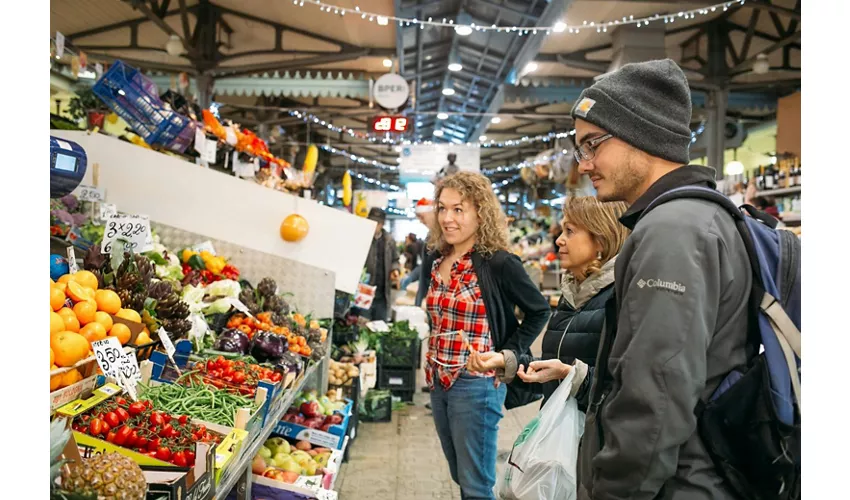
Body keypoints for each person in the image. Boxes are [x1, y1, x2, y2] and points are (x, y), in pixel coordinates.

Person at [560, 59, 752, 499]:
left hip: (679, 484)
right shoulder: (700, 218)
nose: (584, 164)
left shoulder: (672, 231)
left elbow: (654, 400)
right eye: (580, 149)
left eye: (593, 144)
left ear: (640, 135)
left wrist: (612, 491)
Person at [425, 172, 550, 500]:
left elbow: (539, 311)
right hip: (438, 380)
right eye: (442, 208)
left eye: (458, 209)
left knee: (476, 485)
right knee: (460, 472)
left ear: (481, 212)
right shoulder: (437, 260)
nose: (448, 218)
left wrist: (507, 353)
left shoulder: (499, 264)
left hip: (477, 384)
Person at [472, 197, 629, 406]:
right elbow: (554, 373)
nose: (559, 240)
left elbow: (628, 391)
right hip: (564, 434)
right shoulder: (572, 295)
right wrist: (507, 361)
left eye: (570, 231)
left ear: (601, 239)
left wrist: (569, 375)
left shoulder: (620, 300)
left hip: (594, 437)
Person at [364, 207, 399, 322]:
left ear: (382, 224)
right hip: (364, 291)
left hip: (382, 293)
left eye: (377, 223)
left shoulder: (389, 240)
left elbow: (395, 259)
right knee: (362, 324)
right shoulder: (362, 238)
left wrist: (395, 270)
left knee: (379, 326)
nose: (374, 225)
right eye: (371, 221)